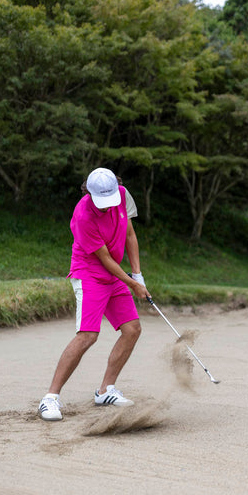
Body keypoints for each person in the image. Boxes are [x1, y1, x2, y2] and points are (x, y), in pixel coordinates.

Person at [38, 167, 151, 421]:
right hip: (89, 275)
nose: (106, 207)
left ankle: (105, 391)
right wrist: (133, 284)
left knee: (132, 329)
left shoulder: (122, 195)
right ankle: (50, 398)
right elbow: (105, 259)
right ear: (89, 193)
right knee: (88, 335)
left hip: (115, 275)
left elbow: (130, 234)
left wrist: (138, 274)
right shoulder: (83, 216)